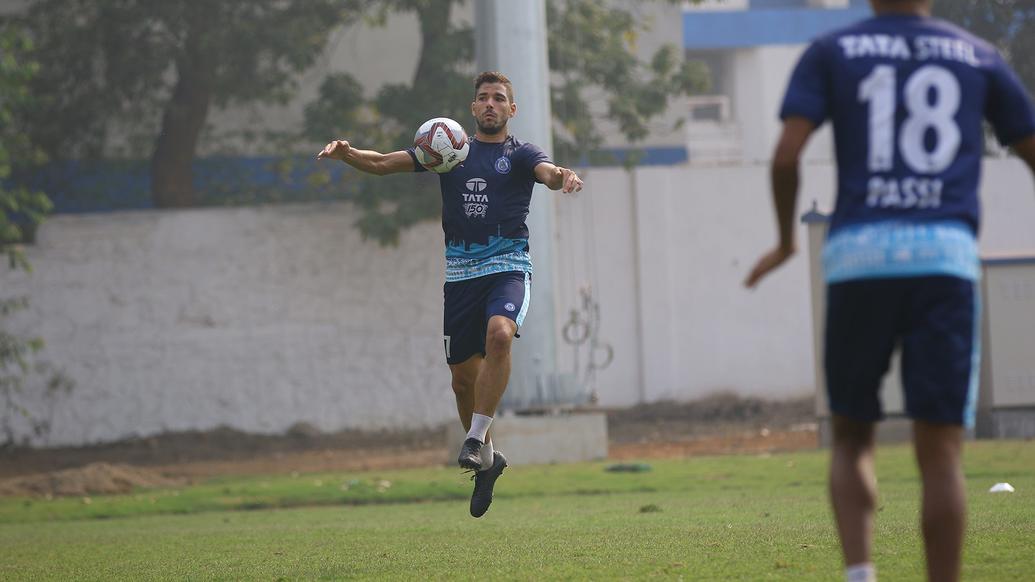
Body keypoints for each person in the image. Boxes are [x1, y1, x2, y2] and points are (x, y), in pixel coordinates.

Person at [744, 1, 1035, 580]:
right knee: (943, 451)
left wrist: (785, 241)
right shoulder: (978, 54)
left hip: (859, 260)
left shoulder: (832, 50)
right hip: (944, 260)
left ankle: (861, 574)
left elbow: (785, 154)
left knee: (852, 436)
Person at [317, 71, 583, 518]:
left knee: (500, 334)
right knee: (463, 379)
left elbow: (548, 173)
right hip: (460, 274)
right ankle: (489, 461)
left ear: (511, 110)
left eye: (499, 98)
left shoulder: (522, 154)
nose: (491, 104)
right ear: (473, 108)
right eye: (483, 98)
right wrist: (348, 154)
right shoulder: (449, 151)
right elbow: (382, 163)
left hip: (507, 266)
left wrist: (563, 176)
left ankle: (476, 439)